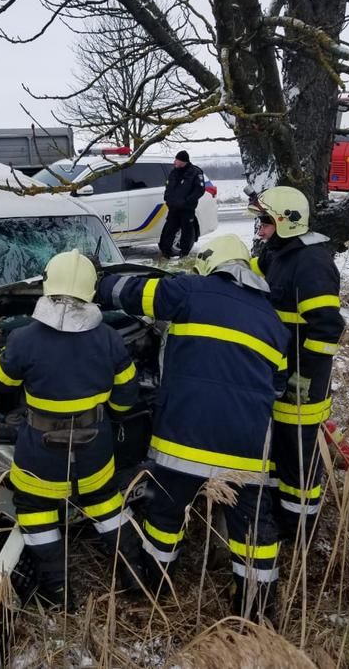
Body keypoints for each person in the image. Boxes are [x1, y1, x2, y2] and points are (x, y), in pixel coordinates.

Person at [97, 235, 290, 622]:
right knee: (253, 532)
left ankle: (154, 589)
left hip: (182, 442)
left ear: (211, 265)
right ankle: (257, 611)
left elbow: (131, 293)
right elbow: (278, 388)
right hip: (246, 451)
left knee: (165, 518)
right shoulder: (273, 321)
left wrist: (98, 282)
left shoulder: (190, 290)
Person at [0, 249, 145, 610]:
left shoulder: (24, 339)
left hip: (40, 454)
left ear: (48, 286)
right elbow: (127, 397)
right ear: (90, 290)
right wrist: (110, 413)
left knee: (35, 510)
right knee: (106, 504)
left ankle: (59, 592)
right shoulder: (110, 338)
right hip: (95, 450)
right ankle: (135, 576)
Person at [248, 186, 346, 543]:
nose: (260, 230)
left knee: (298, 460)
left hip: (301, 382)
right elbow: (252, 273)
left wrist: (303, 377)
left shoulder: (311, 263)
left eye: (265, 222)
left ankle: (301, 531)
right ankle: (278, 516)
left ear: (286, 221)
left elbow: (328, 328)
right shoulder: (278, 253)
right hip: (280, 375)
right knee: (279, 453)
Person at [158, 150, 206, 259]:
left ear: (183, 161)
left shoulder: (195, 172)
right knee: (169, 230)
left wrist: (187, 201)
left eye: (176, 160)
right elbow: (168, 186)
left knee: (186, 232)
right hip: (173, 208)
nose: (174, 162)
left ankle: (184, 254)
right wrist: (167, 198)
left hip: (187, 209)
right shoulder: (174, 172)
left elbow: (200, 190)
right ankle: (165, 253)